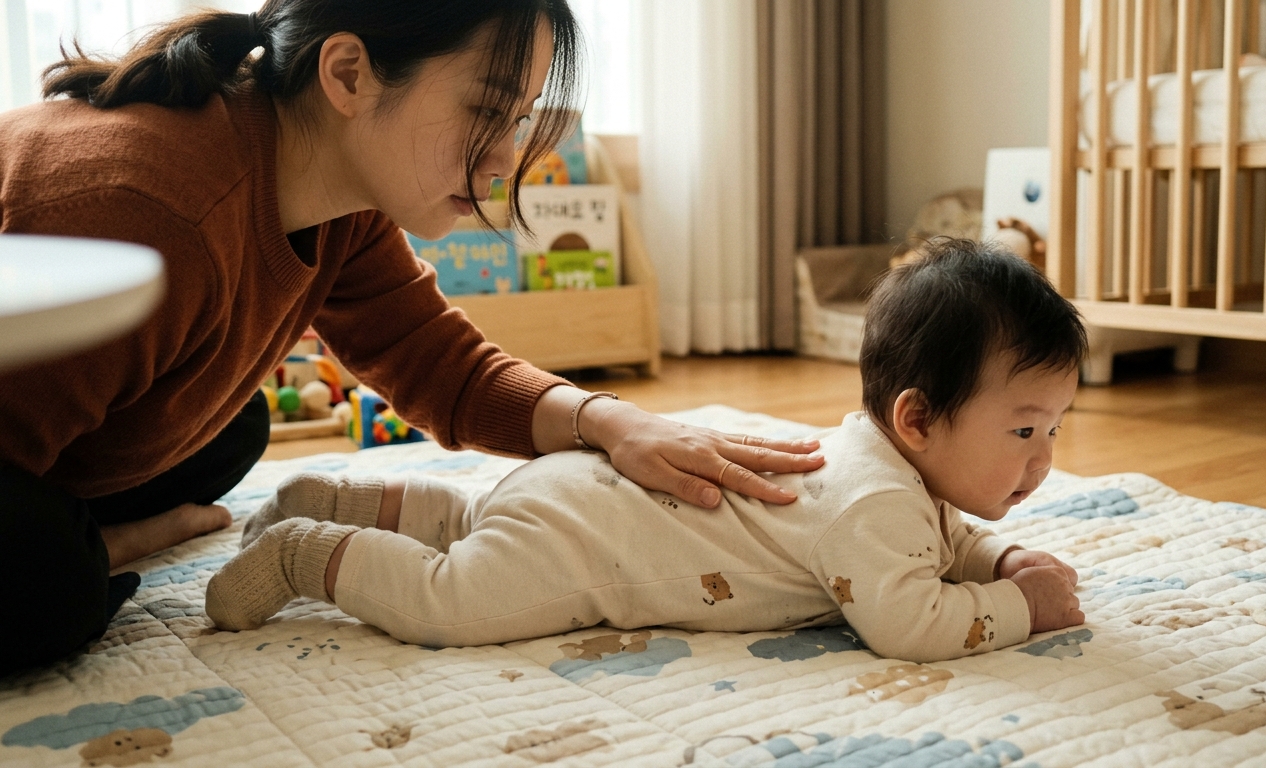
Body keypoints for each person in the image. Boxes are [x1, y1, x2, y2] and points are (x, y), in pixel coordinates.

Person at [0, 0, 823, 678]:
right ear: (349, 74)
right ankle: (100, 546)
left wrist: (612, 423)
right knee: (52, 589)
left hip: (41, 421)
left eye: (521, 119)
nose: (505, 160)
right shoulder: (157, 220)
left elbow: (439, 364)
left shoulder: (334, 190)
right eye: (485, 112)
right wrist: (84, 554)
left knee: (230, 419)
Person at [207, 239, 1088, 663]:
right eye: (1023, 431)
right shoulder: (876, 505)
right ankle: (305, 557)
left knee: (474, 516)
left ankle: (349, 499)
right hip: (586, 545)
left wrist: (1000, 552)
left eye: (1054, 428)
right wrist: (1021, 607)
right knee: (454, 598)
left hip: (573, 492)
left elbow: (934, 541)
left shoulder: (880, 465)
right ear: (918, 420)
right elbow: (910, 621)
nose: (1042, 459)